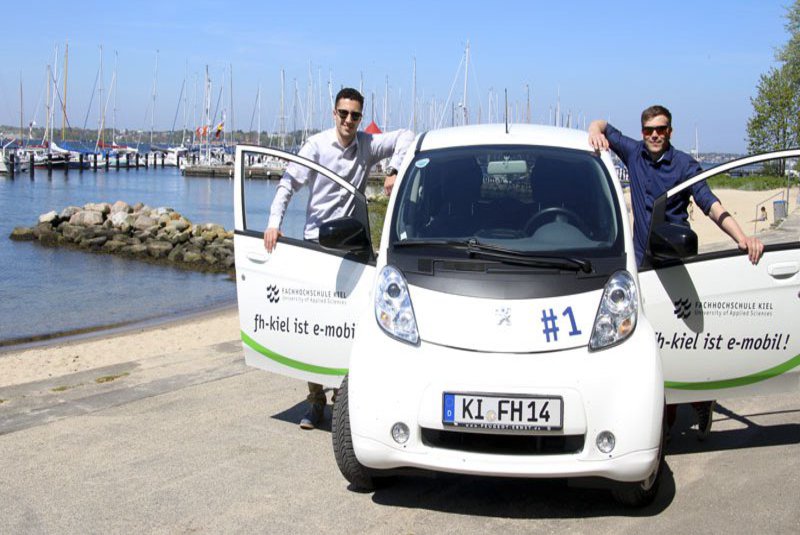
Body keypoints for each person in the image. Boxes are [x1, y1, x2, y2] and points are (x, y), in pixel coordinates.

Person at [588, 105, 764, 440]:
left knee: (683, 342)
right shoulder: (633, 153)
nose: (655, 135)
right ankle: (661, 420)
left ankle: (700, 400)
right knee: (649, 343)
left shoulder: (684, 165)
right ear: (642, 132)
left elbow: (710, 203)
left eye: (661, 129)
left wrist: (743, 238)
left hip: (676, 263)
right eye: (649, 130)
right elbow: (601, 124)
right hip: (642, 266)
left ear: (670, 131)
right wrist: (595, 131)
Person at [264, 87, 414, 430]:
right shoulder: (316, 146)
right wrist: (274, 224)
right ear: (334, 113)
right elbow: (288, 184)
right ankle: (315, 400)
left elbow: (406, 136)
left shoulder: (366, 145)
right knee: (313, 325)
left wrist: (393, 170)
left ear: (360, 117)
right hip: (316, 243)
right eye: (343, 113)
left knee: (347, 326)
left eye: (355, 115)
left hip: (350, 246)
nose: (348, 120)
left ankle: (341, 399)